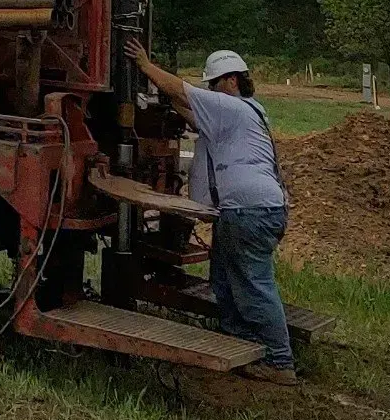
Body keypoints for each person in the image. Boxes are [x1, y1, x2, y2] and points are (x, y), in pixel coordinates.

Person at [123, 37, 295, 385]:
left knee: (253, 284)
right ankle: (242, 343)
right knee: (224, 277)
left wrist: (144, 65)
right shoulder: (241, 114)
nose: (212, 93)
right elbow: (186, 108)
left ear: (231, 80)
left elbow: (183, 92)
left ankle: (280, 361)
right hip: (244, 211)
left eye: (214, 85)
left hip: (250, 211)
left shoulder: (232, 107)